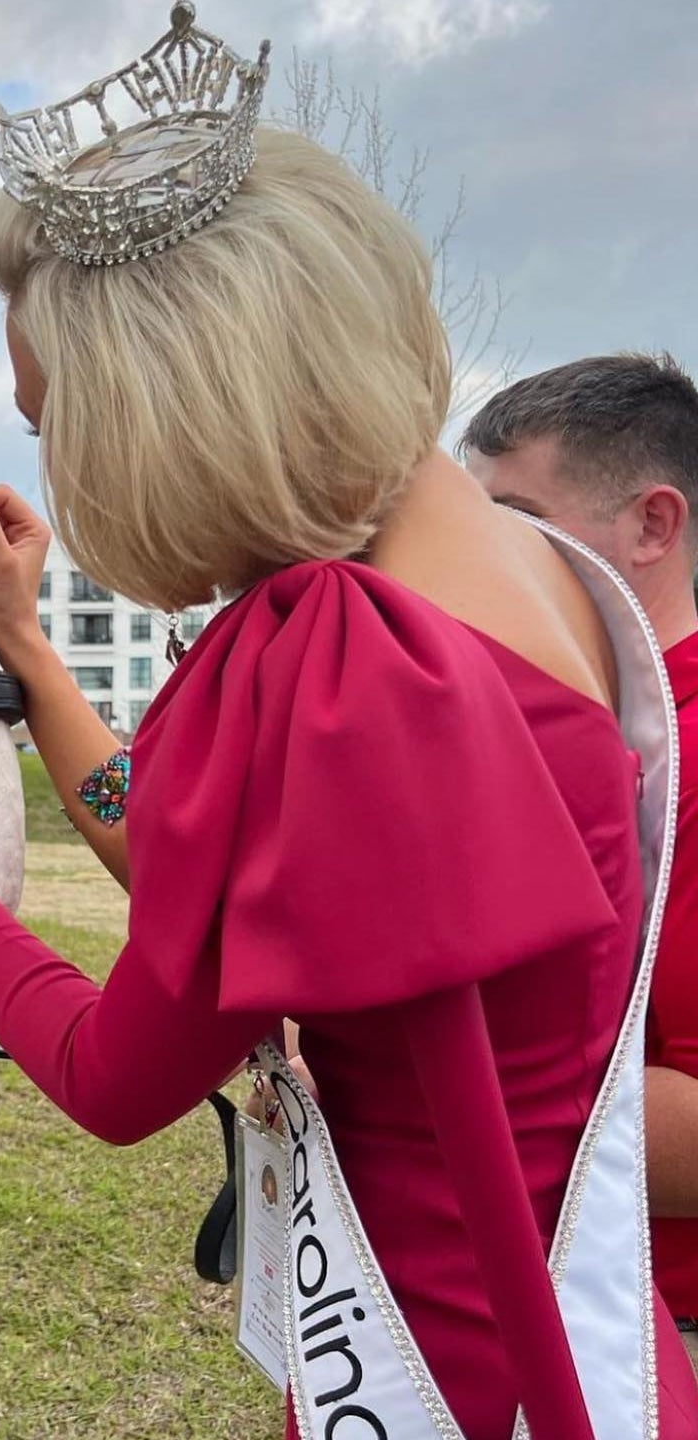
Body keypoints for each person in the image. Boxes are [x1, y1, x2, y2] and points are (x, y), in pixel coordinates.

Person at [0, 8, 698, 1435]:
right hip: (606, 1347)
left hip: (424, 1374)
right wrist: (25, 644)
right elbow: (210, 864)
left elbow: (113, 1075)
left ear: (167, 398)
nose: (62, 460)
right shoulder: (554, 582)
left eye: (54, 415)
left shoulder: (312, 656)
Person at [462, 354, 698, 1376]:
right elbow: (141, 817)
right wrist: (25, 661)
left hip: (652, 1345)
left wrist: (397, 1073)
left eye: (514, 524)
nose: (466, 566)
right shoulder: (534, 732)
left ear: (653, 525)